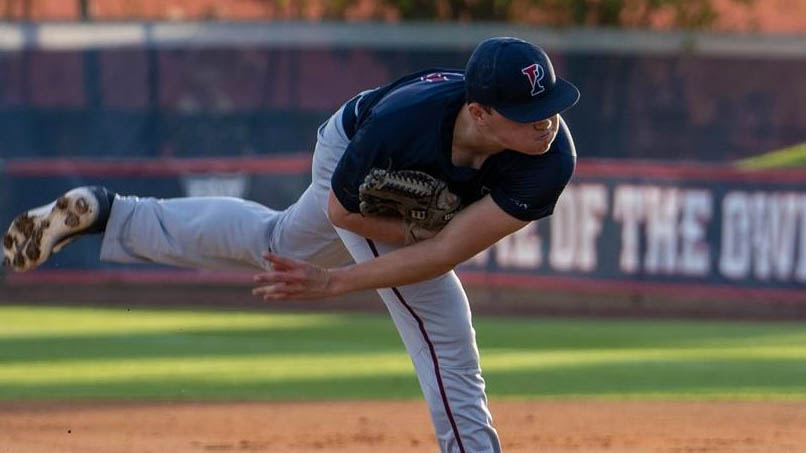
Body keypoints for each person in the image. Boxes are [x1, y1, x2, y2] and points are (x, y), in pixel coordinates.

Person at [3, 37, 579, 453]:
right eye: (528, 115)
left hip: (399, 189)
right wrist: (341, 277)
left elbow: (447, 247)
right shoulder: (400, 127)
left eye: (549, 106)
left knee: (272, 241)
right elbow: (344, 213)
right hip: (351, 156)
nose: (546, 123)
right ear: (478, 112)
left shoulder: (550, 159)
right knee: (441, 317)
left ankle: (111, 214)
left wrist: (384, 251)